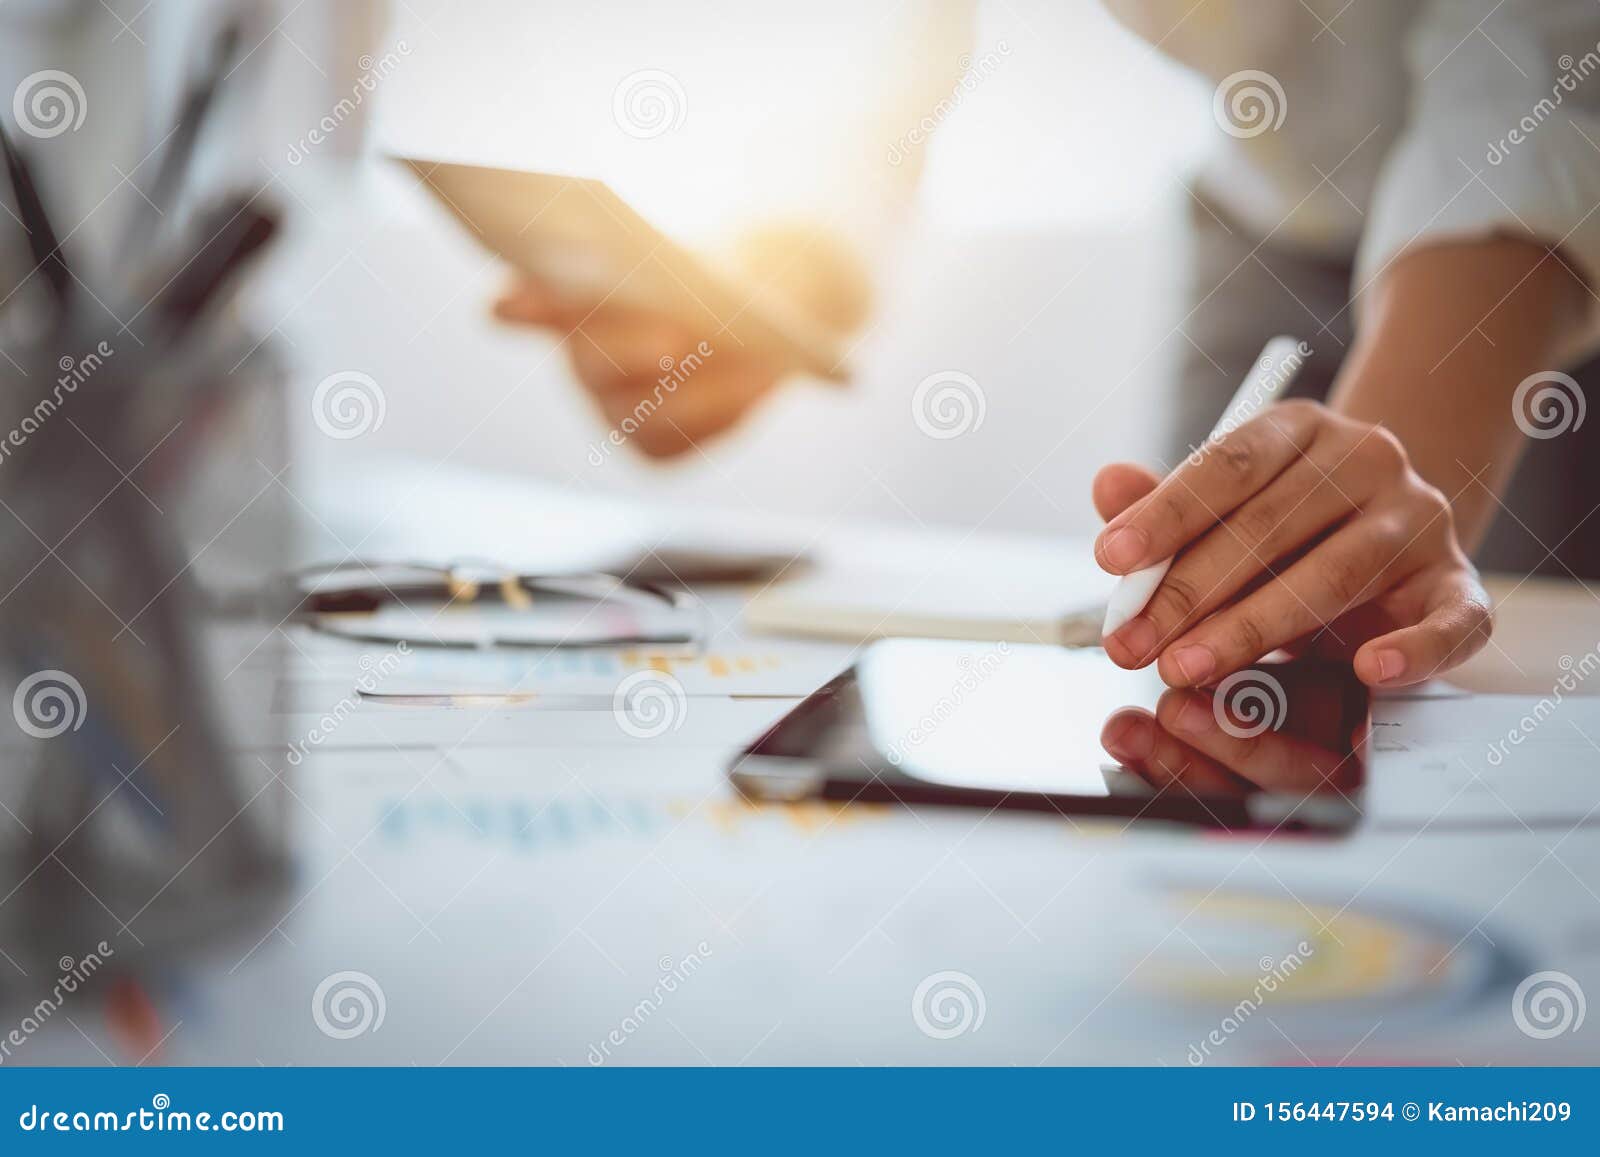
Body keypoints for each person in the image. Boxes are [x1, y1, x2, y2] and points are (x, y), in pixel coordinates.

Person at [494, 0, 1600, 693]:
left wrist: (1394, 469)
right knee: (1222, 641)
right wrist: (763, 308)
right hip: (1261, 211)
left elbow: (1529, 82)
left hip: (1531, 230)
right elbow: (892, 69)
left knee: (1482, 648)